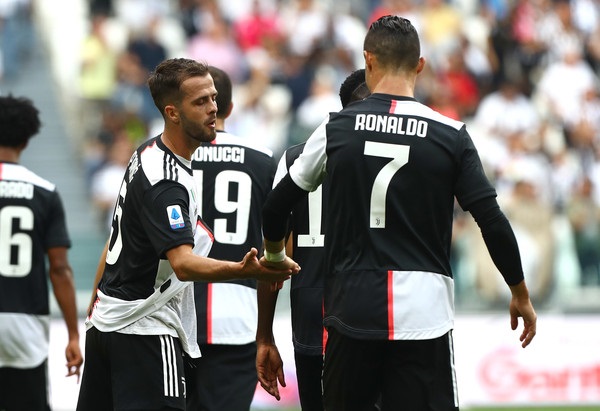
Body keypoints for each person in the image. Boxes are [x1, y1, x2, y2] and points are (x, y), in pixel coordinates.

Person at [259, 16, 537, 410]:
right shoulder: (450, 133)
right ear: (420, 65)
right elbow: (491, 219)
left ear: (367, 60)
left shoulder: (335, 128)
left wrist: (273, 256)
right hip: (424, 314)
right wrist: (519, 292)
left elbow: (276, 208)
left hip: (351, 307)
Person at [76, 58, 299, 411]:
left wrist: (95, 301)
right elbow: (181, 263)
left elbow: (118, 238)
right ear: (173, 112)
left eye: (213, 98)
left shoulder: (147, 152)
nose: (212, 109)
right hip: (148, 326)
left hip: (109, 321)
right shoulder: (170, 181)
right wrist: (246, 270)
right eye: (200, 102)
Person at [256, 68, 370, 411]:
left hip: (312, 307)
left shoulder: (294, 157)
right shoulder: (393, 153)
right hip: (373, 306)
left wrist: (265, 334)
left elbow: (274, 252)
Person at [186, 65, 277, 410]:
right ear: (230, 108)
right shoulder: (263, 160)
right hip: (238, 317)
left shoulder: (167, 157)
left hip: (175, 314)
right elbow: (279, 249)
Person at [0, 94, 83, 410]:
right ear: (26, 139)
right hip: (25, 324)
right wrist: (73, 335)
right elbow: (59, 269)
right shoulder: (44, 193)